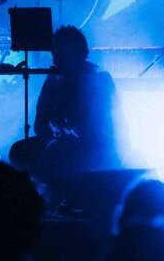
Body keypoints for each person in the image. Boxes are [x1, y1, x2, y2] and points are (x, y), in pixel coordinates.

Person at [9, 25, 122, 185]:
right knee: (19, 152)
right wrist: (53, 137)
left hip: (97, 147)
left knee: (57, 157)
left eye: (60, 54)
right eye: (54, 53)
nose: (55, 59)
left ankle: (62, 197)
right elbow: (40, 122)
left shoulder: (98, 78)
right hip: (64, 142)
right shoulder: (55, 78)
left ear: (77, 53)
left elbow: (97, 129)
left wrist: (63, 140)